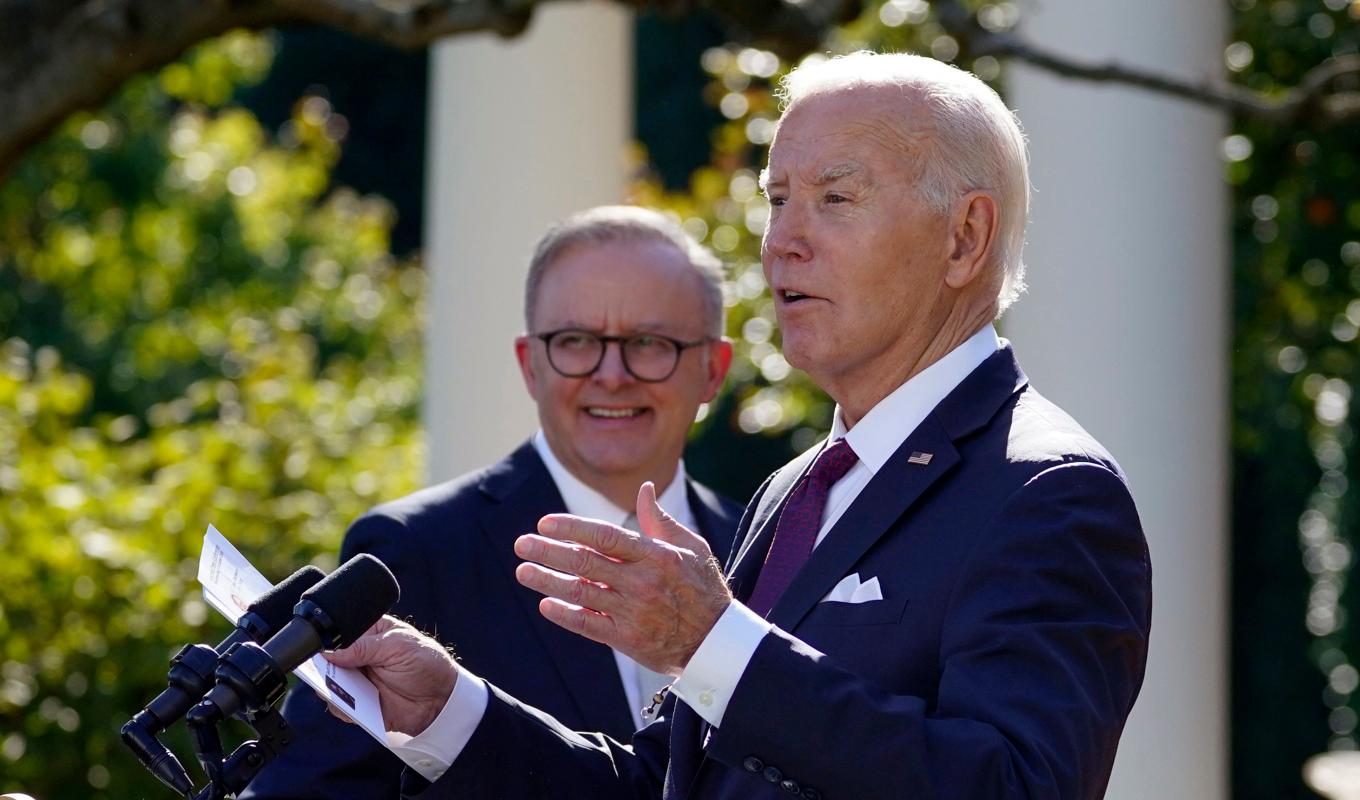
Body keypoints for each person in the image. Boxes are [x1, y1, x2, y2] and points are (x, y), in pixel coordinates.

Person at [319, 52, 1153, 800]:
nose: (783, 241)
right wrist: (446, 709)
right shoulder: (795, 489)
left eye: (835, 198)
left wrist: (716, 646)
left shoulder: (1047, 492)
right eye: (778, 199)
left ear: (966, 238)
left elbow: (1014, 788)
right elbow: (668, 784)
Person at [241, 206, 742, 799]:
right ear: (530, 365)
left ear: (714, 369)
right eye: (576, 341)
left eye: (649, 343)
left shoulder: (763, 547)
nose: (612, 375)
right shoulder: (417, 551)